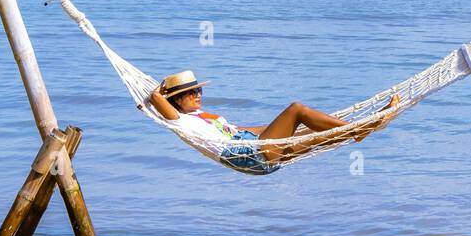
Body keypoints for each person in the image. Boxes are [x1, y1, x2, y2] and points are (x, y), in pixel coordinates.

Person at [146, 70, 397, 173]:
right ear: (176, 100)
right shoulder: (179, 120)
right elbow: (155, 97)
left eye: (198, 90)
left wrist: (286, 129)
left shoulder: (206, 119)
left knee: (317, 133)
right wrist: (160, 92)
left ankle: (361, 128)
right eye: (190, 93)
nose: (197, 95)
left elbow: (240, 131)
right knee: (297, 109)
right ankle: (362, 129)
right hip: (247, 156)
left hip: (255, 150)